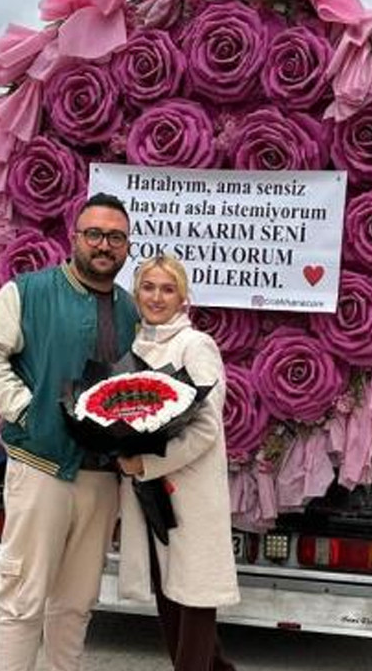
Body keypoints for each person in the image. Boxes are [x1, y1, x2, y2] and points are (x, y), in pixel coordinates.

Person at [0, 193, 140, 671]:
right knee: (23, 597)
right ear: (75, 238)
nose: (104, 245)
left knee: (76, 604)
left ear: (127, 247)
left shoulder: (130, 310)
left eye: (116, 237)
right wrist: (25, 409)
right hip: (42, 466)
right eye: (95, 234)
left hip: (101, 477)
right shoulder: (29, 292)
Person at [117, 254, 240, 671]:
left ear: (183, 297)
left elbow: (206, 428)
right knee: (169, 599)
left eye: (168, 289)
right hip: (149, 495)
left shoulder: (196, 345)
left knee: (195, 598)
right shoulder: (134, 347)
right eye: (149, 287)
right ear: (136, 294)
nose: (157, 297)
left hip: (189, 494)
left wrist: (146, 464)